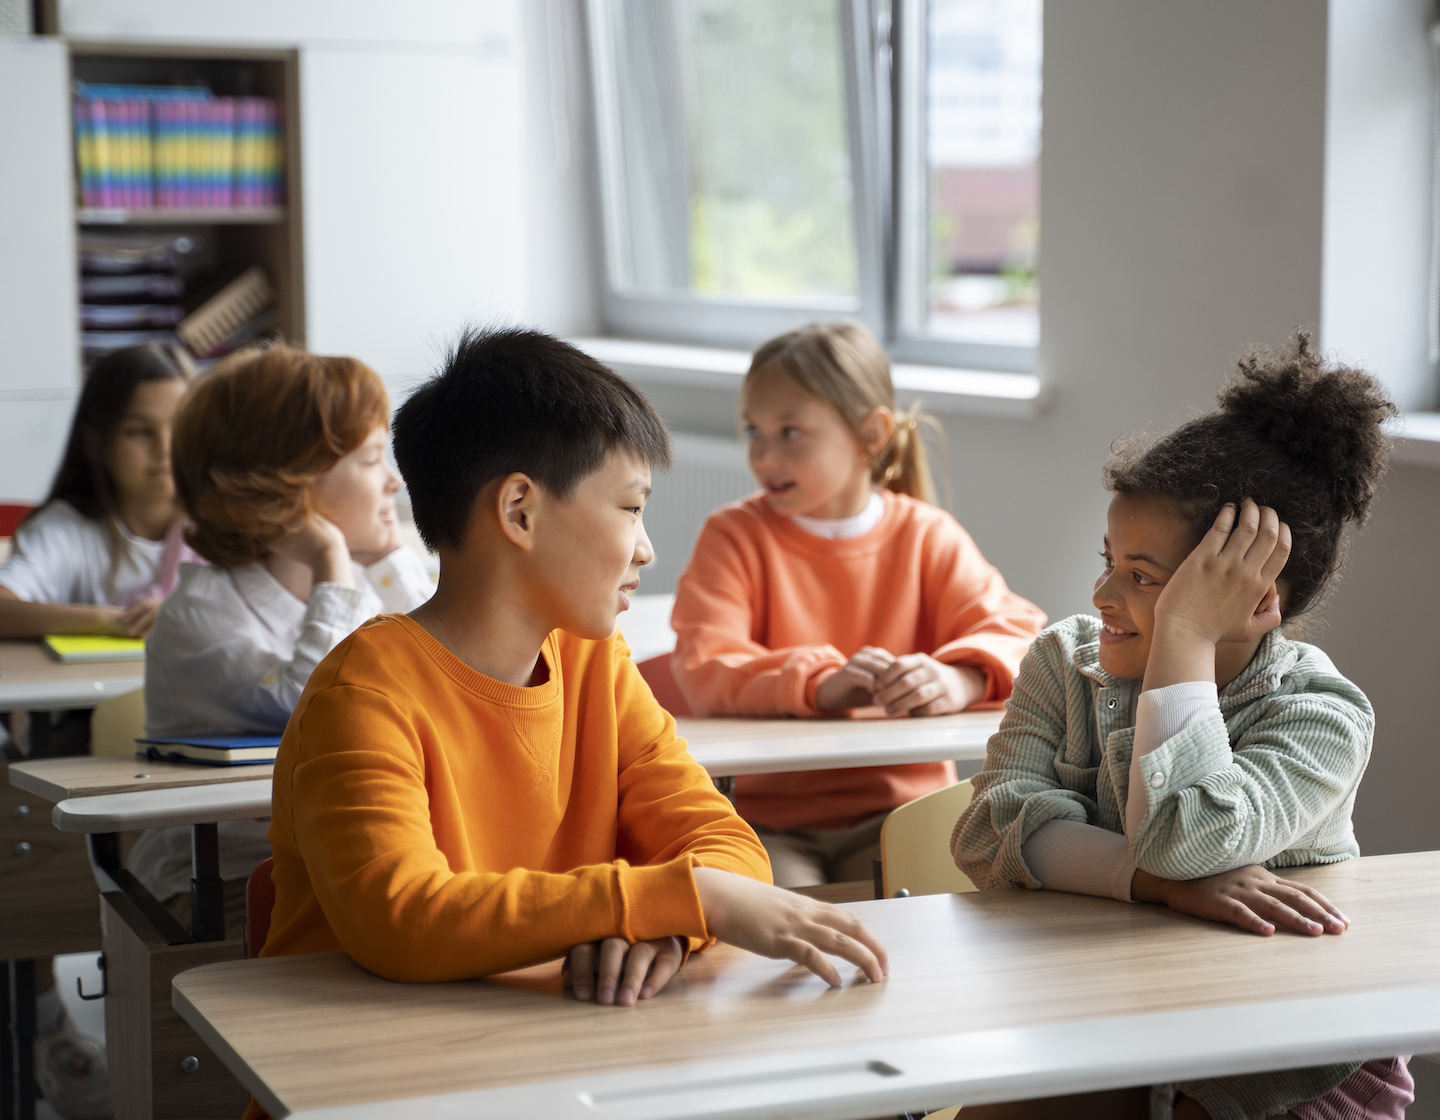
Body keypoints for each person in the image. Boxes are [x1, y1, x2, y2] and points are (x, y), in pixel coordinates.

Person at [251, 329, 885, 1114]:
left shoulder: (595, 664)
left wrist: (665, 928)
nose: (648, 548)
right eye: (630, 508)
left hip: (534, 1071)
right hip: (365, 1087)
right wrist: (685, 901)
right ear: (519, 510)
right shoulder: (363, 691)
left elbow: (725, 850)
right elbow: (402, 918)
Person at [952, 333, 1412, 1120]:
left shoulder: (1323, 717)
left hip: (1282, 1068)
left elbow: (1182, 836)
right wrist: (1156, 886)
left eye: (1142, 578)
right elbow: (987, 830)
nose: (1101, 593)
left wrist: (1185, 640)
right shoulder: (1064, 662)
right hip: (1112, 1021)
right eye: (1108, 560)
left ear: (1257, 600)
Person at [670, 321, 1045, 887]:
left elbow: (1023, 637)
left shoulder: (927, 536)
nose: (764, 455)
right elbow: (704, 665)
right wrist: (819, 683)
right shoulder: (732, 537)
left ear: (869, 434)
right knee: (789, 923)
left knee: (931, 928)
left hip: (906, 815)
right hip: (770, 824)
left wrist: (960, 678)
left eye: (791, 432)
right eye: (753, 431)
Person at [128, 344, 434, 938]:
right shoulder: (198, 614)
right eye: (373, 460)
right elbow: (318, 708)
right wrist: (328, 558)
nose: (396, 481)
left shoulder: (367, 580)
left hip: (349, 867)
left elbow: (449, 667)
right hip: (223, 885)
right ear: (288, 486)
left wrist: (388, 554)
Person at [0, 342, 194, 1120]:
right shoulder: (75, 528)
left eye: (177, 429)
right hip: (73, 742)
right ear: (99, 441)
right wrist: (112, 620)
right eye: (138, 433)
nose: (162, 452)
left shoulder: (219, 524)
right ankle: (46, 1013)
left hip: (178, 749)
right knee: (30, 821)